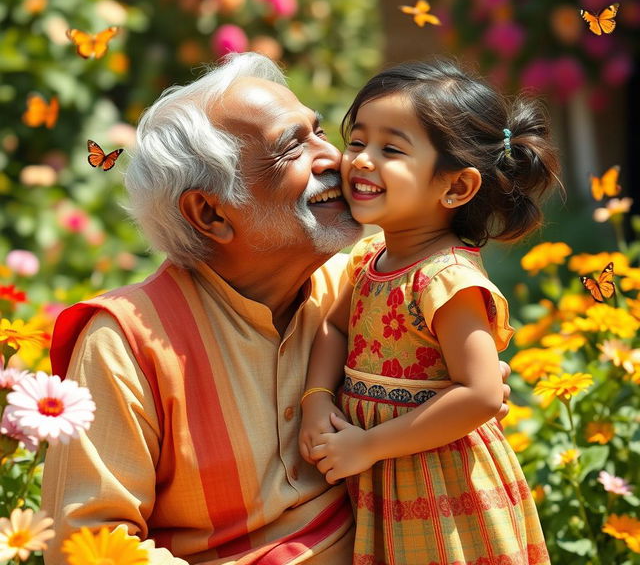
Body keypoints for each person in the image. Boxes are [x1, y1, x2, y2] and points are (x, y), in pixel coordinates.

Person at [42, 53, 512, 564]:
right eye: (292, 147)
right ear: (210, 212)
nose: (336, 158)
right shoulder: (123, 343)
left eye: (321, 132)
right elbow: (85, 546)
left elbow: (474, 390)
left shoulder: (362, 281)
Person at [299, 60, 558, 565]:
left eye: (391, 149)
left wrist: (371, 445)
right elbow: (334, 325)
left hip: (442, 481)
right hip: (382, 470)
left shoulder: (446, 280)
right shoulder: (369, 259)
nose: (361, 161)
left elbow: (481, 393)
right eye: (357, 141)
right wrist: (315, 398)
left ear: (456, 188)